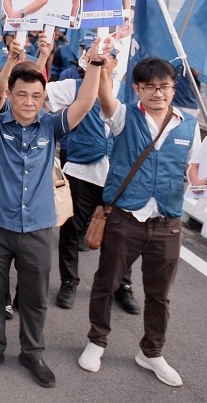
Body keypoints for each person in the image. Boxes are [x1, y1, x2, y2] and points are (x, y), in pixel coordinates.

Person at [0, 39, 106, 388]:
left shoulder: (51, 126)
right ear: (9, 93)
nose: (29, 102)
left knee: (35, 296)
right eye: (22, 95)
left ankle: (32, 352)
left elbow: (85, 102)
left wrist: (96, 64)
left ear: (44, 99)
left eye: (36, 97)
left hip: (38, 228)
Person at [77, 58, 207, 388]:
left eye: (164, 86)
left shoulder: (188, 127)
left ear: (174, 87)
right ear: (137, 88)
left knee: (159, 295)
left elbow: (195, 173)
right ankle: (97, 340)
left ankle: (152, 351)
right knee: (107, 283)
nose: (157, 92)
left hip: (167, 222)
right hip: (124, 217)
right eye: (149, 86)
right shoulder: (122, 116)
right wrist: (101, 65)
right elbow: (105, 98)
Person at [44, 49, 140, 314]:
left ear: (117, 62)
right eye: (96, 54)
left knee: (123, 234)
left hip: (120, 175)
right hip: (81, 170)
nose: (102, 58)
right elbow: (40, 93)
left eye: (109, 54)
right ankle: (68, 282)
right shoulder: (75, 85)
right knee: (71, 231)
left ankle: (123, 285)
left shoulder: (132, 90)